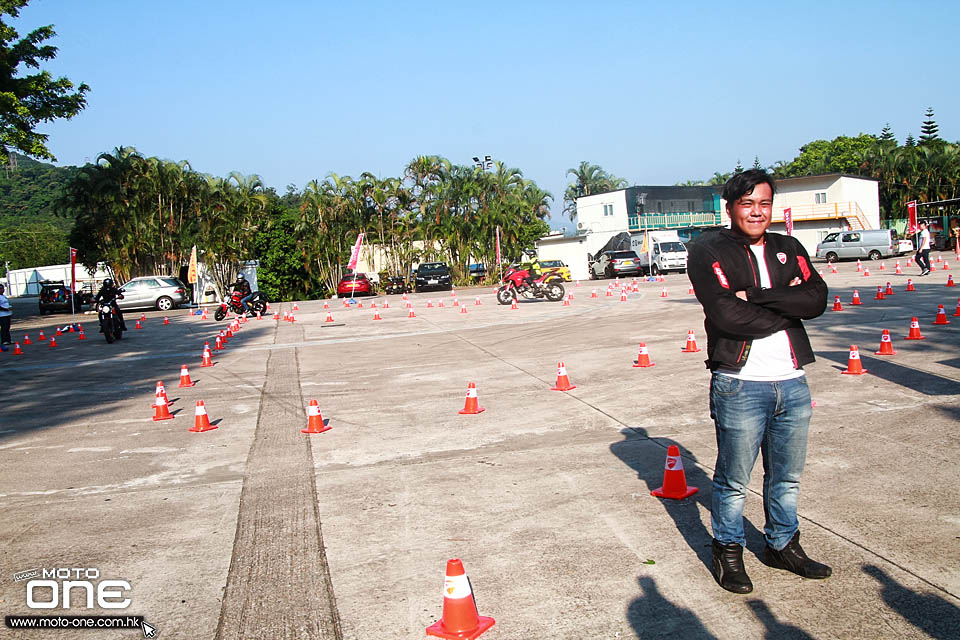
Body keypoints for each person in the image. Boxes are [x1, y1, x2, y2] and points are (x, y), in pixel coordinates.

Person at [687, 169, 831, 594]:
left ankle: (783, 544)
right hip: (740, 382)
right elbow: (727, 315)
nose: (756, 212)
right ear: (730, 207)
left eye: (764, 203)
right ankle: (727, 551)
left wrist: (759, 296)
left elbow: (817, 299)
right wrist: (790, 307)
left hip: (792, 381)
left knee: (786, 477)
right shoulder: (707, 249)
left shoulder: (789, 246)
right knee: (733, 480)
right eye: (747, 204)